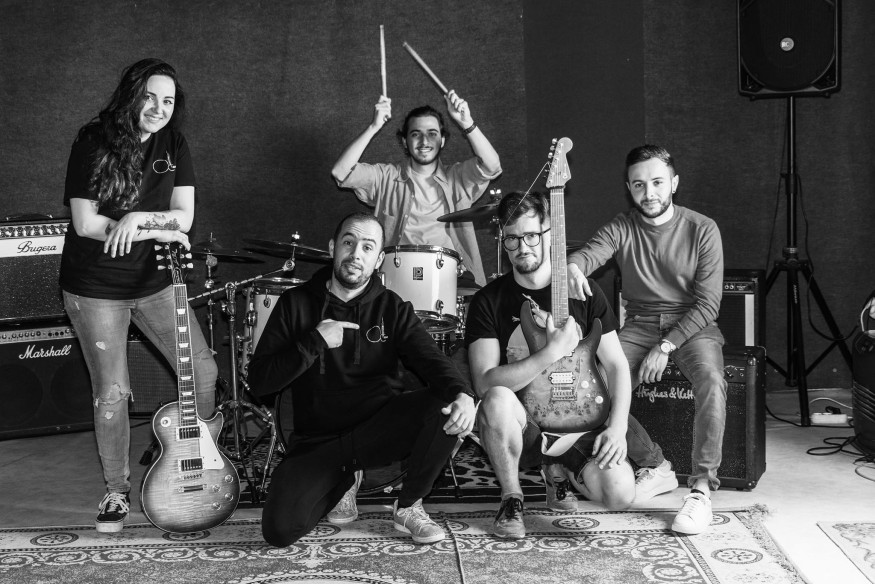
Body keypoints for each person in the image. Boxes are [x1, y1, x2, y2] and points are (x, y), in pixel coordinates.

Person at [247, 212, 477, 547]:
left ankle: (408, 505)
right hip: (318, 440)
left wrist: (463, 393)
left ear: (379, 260)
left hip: (376, 430)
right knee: (280, 531)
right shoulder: (295, 304)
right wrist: (314, 341)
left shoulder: (392, 308)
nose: (356, 254)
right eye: (349, 242)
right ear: (333, 248)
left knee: (447, 402)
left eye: (368, 247)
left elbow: (431, 360)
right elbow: (260, 382)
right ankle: (343, 480)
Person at [59, 58, 217, 533]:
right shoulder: (93, 141)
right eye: (149, 97)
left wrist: (139, 220)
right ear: (131, 96)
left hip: (155, 283)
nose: (158, 108)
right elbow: (86, 223)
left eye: (167, 100)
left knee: (204, 373)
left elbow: (184, 217)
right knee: (112, 393)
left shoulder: (174, 144)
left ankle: (192, 462)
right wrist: (155, 229)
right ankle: (116, 491)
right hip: (96, 288)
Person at [466, 191, 645, 540]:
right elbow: (484, 383)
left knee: (620, 494)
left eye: (531, 235)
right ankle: (512, 497)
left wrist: (618, 427)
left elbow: (616, 365)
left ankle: (561, 469)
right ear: (502, 241)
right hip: (525, 423)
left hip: (580, 419)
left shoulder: (585, 291)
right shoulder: (488, 300)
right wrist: (551, 352)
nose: (522, 247)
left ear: (550, 232)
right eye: (512, 239)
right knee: (497, 399)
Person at [567, 144, 726, 535]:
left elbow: (709, 304)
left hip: (693, 325)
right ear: (629, 188)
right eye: (639, 185)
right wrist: (572, 266)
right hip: (640, 323)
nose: (649, 192)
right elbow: (590, 253)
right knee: (591, 388)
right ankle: (656, 464)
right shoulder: (622, 226)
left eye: (657, 182)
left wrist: (666, 346)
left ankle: (701, 490)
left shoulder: (702, 228)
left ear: (674, 183)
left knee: (712, 381)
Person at [330, 91, 501, 287]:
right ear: (405, 141)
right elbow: (340, 172)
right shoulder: (386, 177)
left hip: (451, 280)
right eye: (415, 134)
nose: (424, 141)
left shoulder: (458, 177)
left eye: (432, 134)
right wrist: (373, 127)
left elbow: (492, 166)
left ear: (442, 140)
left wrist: (467, 123)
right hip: (394, 280)